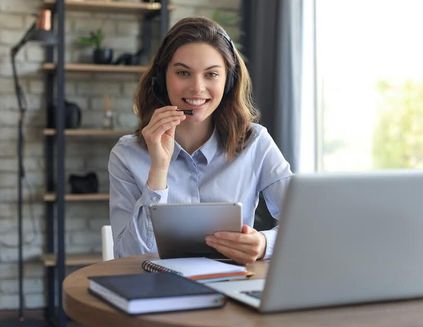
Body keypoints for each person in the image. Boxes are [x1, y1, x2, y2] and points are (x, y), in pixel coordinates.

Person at [108, 17, 293, 264]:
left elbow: (305, 222)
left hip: (232, 288)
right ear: (162, 78)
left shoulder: (256, 142)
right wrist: (158, 171)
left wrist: (264, 244)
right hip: (158, 292)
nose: (197, 88)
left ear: (228, 81)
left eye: (211, 74)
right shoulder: (126, 154)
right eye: (183, 73)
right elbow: (129, 256)